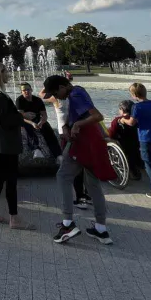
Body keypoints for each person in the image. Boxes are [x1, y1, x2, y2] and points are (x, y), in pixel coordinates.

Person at [42, 75, 115, 246]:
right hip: (93, 142)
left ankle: (68, 224)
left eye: (55, 93)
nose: (56, 97)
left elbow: (97, 116)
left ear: (62, 87)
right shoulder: (78, 90)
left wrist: (76, 126)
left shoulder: (74, 95)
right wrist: (68, 125)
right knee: (93, 185)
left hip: (83, 143)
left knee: (63, 176)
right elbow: (81, 114)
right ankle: (101, 229)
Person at [0, 63, 35, 230]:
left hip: (2, 144)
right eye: (5, 71)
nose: (9, 73)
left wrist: (19, 114)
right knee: (11, 180)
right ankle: (14, 218)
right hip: (6, 145)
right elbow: (3, 121)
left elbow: (2, 117)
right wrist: (22, 117)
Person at [41, 79, 91, 209]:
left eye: (55, 92)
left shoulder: (67, 97)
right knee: (80, 166)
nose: (55, 95)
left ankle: (80, 198)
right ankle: (84, 195)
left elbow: (42, 95)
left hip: (69, 132)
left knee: (72, 168)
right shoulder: (72, 93)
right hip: (70, 131)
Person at [15, 82, 63, 160]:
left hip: (37, 119)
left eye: (28, 89)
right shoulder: (19, 100)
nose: (26, 91)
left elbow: (44, 115)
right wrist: (32, 123)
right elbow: (20, 117)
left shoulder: (37, 100)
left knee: (47, 128)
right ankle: (36, 149)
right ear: (21, 92)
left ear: (31, 90)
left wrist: (41, 122)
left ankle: (58, 154)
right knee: (28, 128)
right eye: (24, 90)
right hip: (26, 121)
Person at [107, 100, 144, 181]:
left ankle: (132, 172)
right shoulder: (136, 119)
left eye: (120, 109)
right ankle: (138, 167)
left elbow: (111, 134)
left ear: (122, 111)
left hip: (123, 144)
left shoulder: (117, 120)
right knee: (133, 153)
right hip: (136, 142)